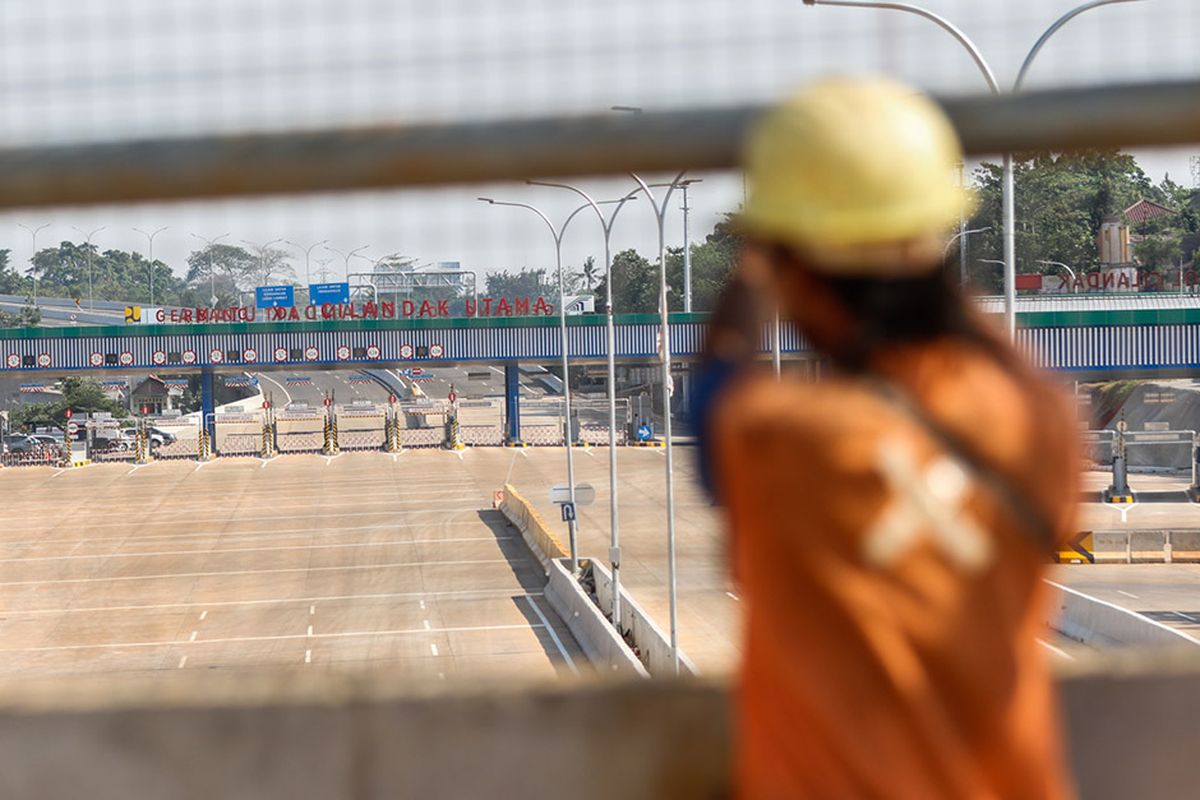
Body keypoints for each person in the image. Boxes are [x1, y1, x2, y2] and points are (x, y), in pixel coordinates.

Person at [695, 77, 1080, 799]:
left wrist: (755, 272)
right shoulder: (1040, 419)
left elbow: (714, 390)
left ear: (793, 273)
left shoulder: (784, 440)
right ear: (936, 243)